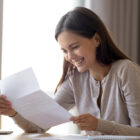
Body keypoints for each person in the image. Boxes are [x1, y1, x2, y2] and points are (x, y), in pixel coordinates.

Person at [0, 7, 140, 136]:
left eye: (74, 47)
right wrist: (13, 113)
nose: (70, 57)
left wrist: (99, 125)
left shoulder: (126, 71)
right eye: (65, 51)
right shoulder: (75, 79)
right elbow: (40, 126)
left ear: (97, 39)